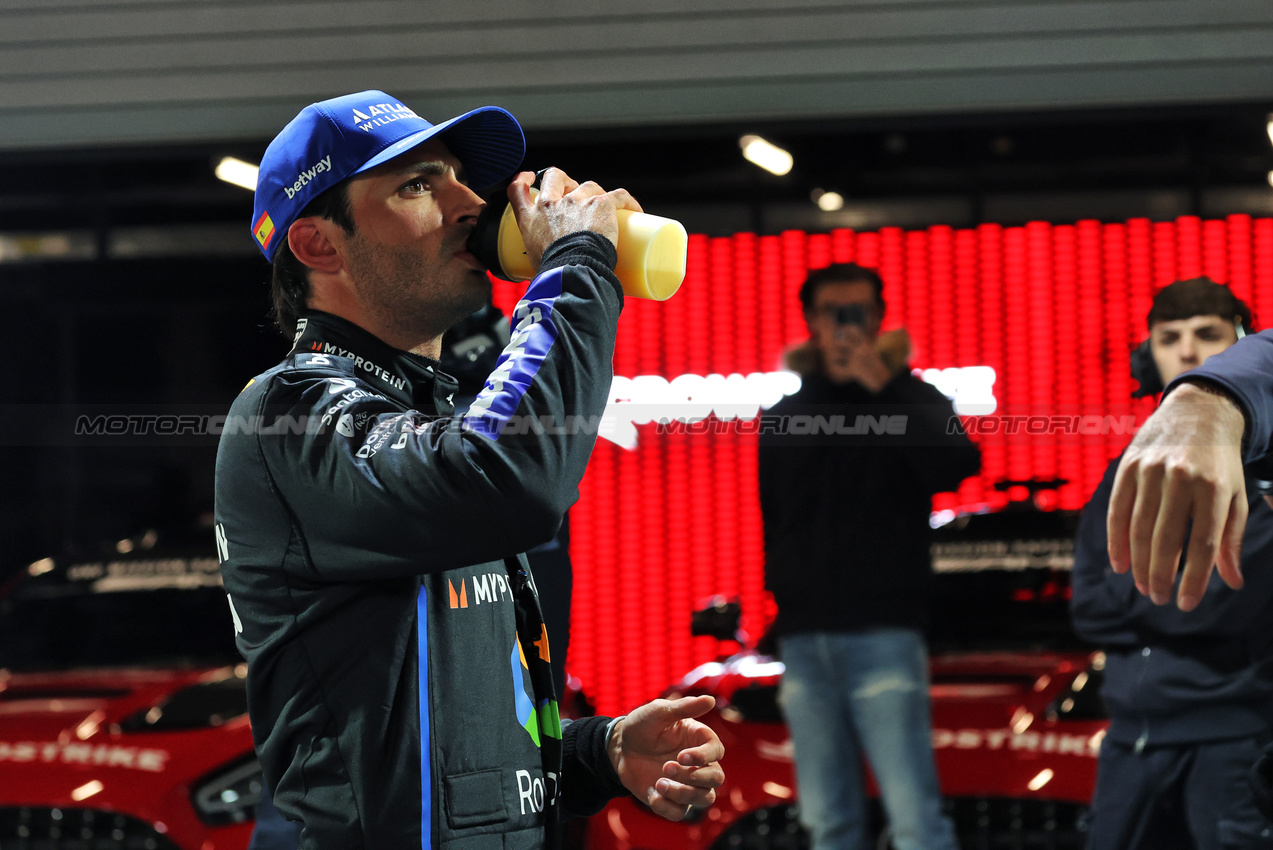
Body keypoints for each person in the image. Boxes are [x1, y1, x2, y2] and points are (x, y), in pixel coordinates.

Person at [214, 90, 723, 850]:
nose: (471, 203)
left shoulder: (430, 425)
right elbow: (511, 480)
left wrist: (596, 753)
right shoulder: (289, 413)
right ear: (319, 246)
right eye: (418, 184)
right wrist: (576, 266)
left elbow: (447, 734)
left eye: (459, 177)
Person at [758, 263, 981, 850]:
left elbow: (957, 463)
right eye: (834, 312)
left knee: (915, 819)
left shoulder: (909, 397)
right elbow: (775, 521)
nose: (845, 325)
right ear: (811, 321)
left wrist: (884, 382)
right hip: (805, 641)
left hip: (884, 633)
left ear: (880, 318)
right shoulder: (785, 416)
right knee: (827, 821)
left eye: (858, 312)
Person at [1070, 278, 1273, 849]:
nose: (1186, 352)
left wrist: (1133, 601)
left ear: (1241, 348)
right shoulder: (1120, 472)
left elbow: (1212, 610)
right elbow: (1086, 607)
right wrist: (1167, 595)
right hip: (1128, 740)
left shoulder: (1264, 479)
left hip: (1234, 741)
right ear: (1147, 354)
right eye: (1169, 338)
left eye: (1207, 336)